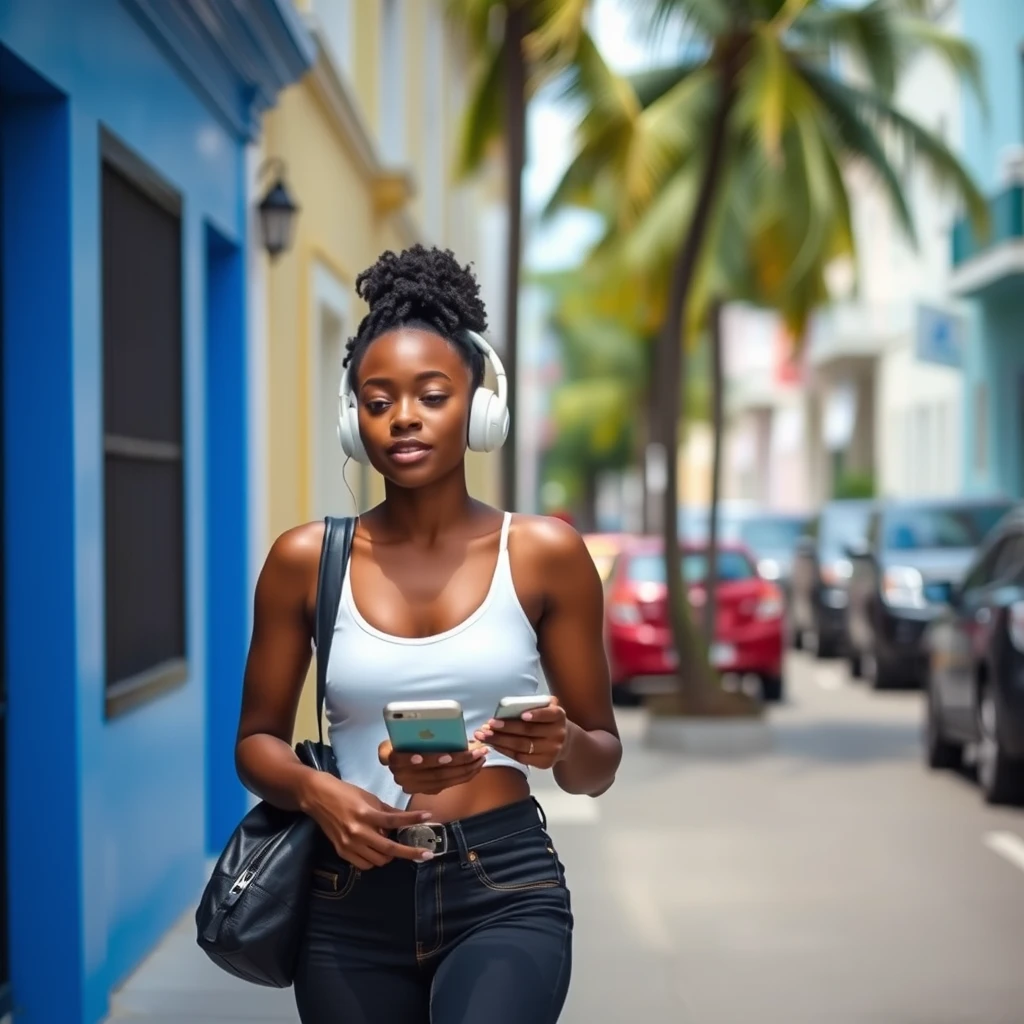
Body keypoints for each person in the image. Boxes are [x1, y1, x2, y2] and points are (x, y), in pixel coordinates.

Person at [235, 245, 621, 1024]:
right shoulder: (303, 561)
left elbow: (599, 764)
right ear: (354, 422)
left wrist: (559, 747)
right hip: (346, 900)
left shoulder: (544, 554)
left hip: (504, 889)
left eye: (432, 395)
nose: (402, 416)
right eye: (377, 401)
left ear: (480, 407)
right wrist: (321, 793)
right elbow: (255, 744)